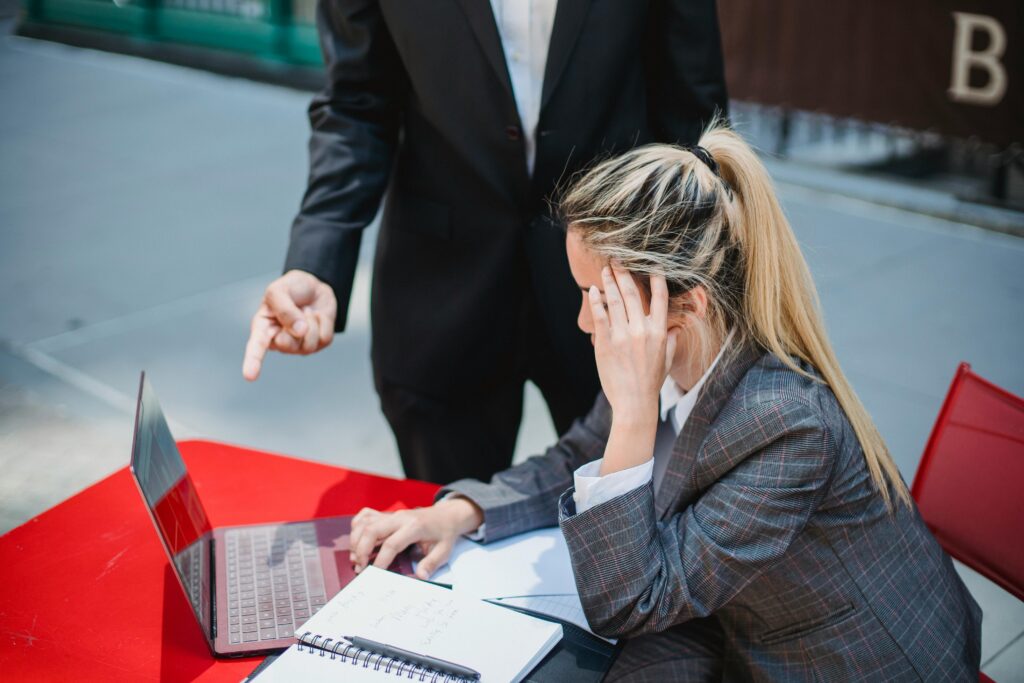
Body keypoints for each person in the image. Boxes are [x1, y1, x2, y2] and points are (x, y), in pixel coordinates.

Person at [345, 123, 983, 680]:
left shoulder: (788, 426)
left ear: (686, 305)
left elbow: (631, 601)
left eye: (600, 299)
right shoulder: (670, 353)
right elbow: (575, 457)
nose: (583, 322)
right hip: (726, 623)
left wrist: (632, 415)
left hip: (852, 663)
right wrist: (458, 512)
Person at [241, 1, 728, 484]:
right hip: (444, 292)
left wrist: (706, 296)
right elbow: (356, 102)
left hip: (615, 298)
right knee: (447, 533)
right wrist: (317, 260)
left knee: (622, 527)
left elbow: (693, 118)